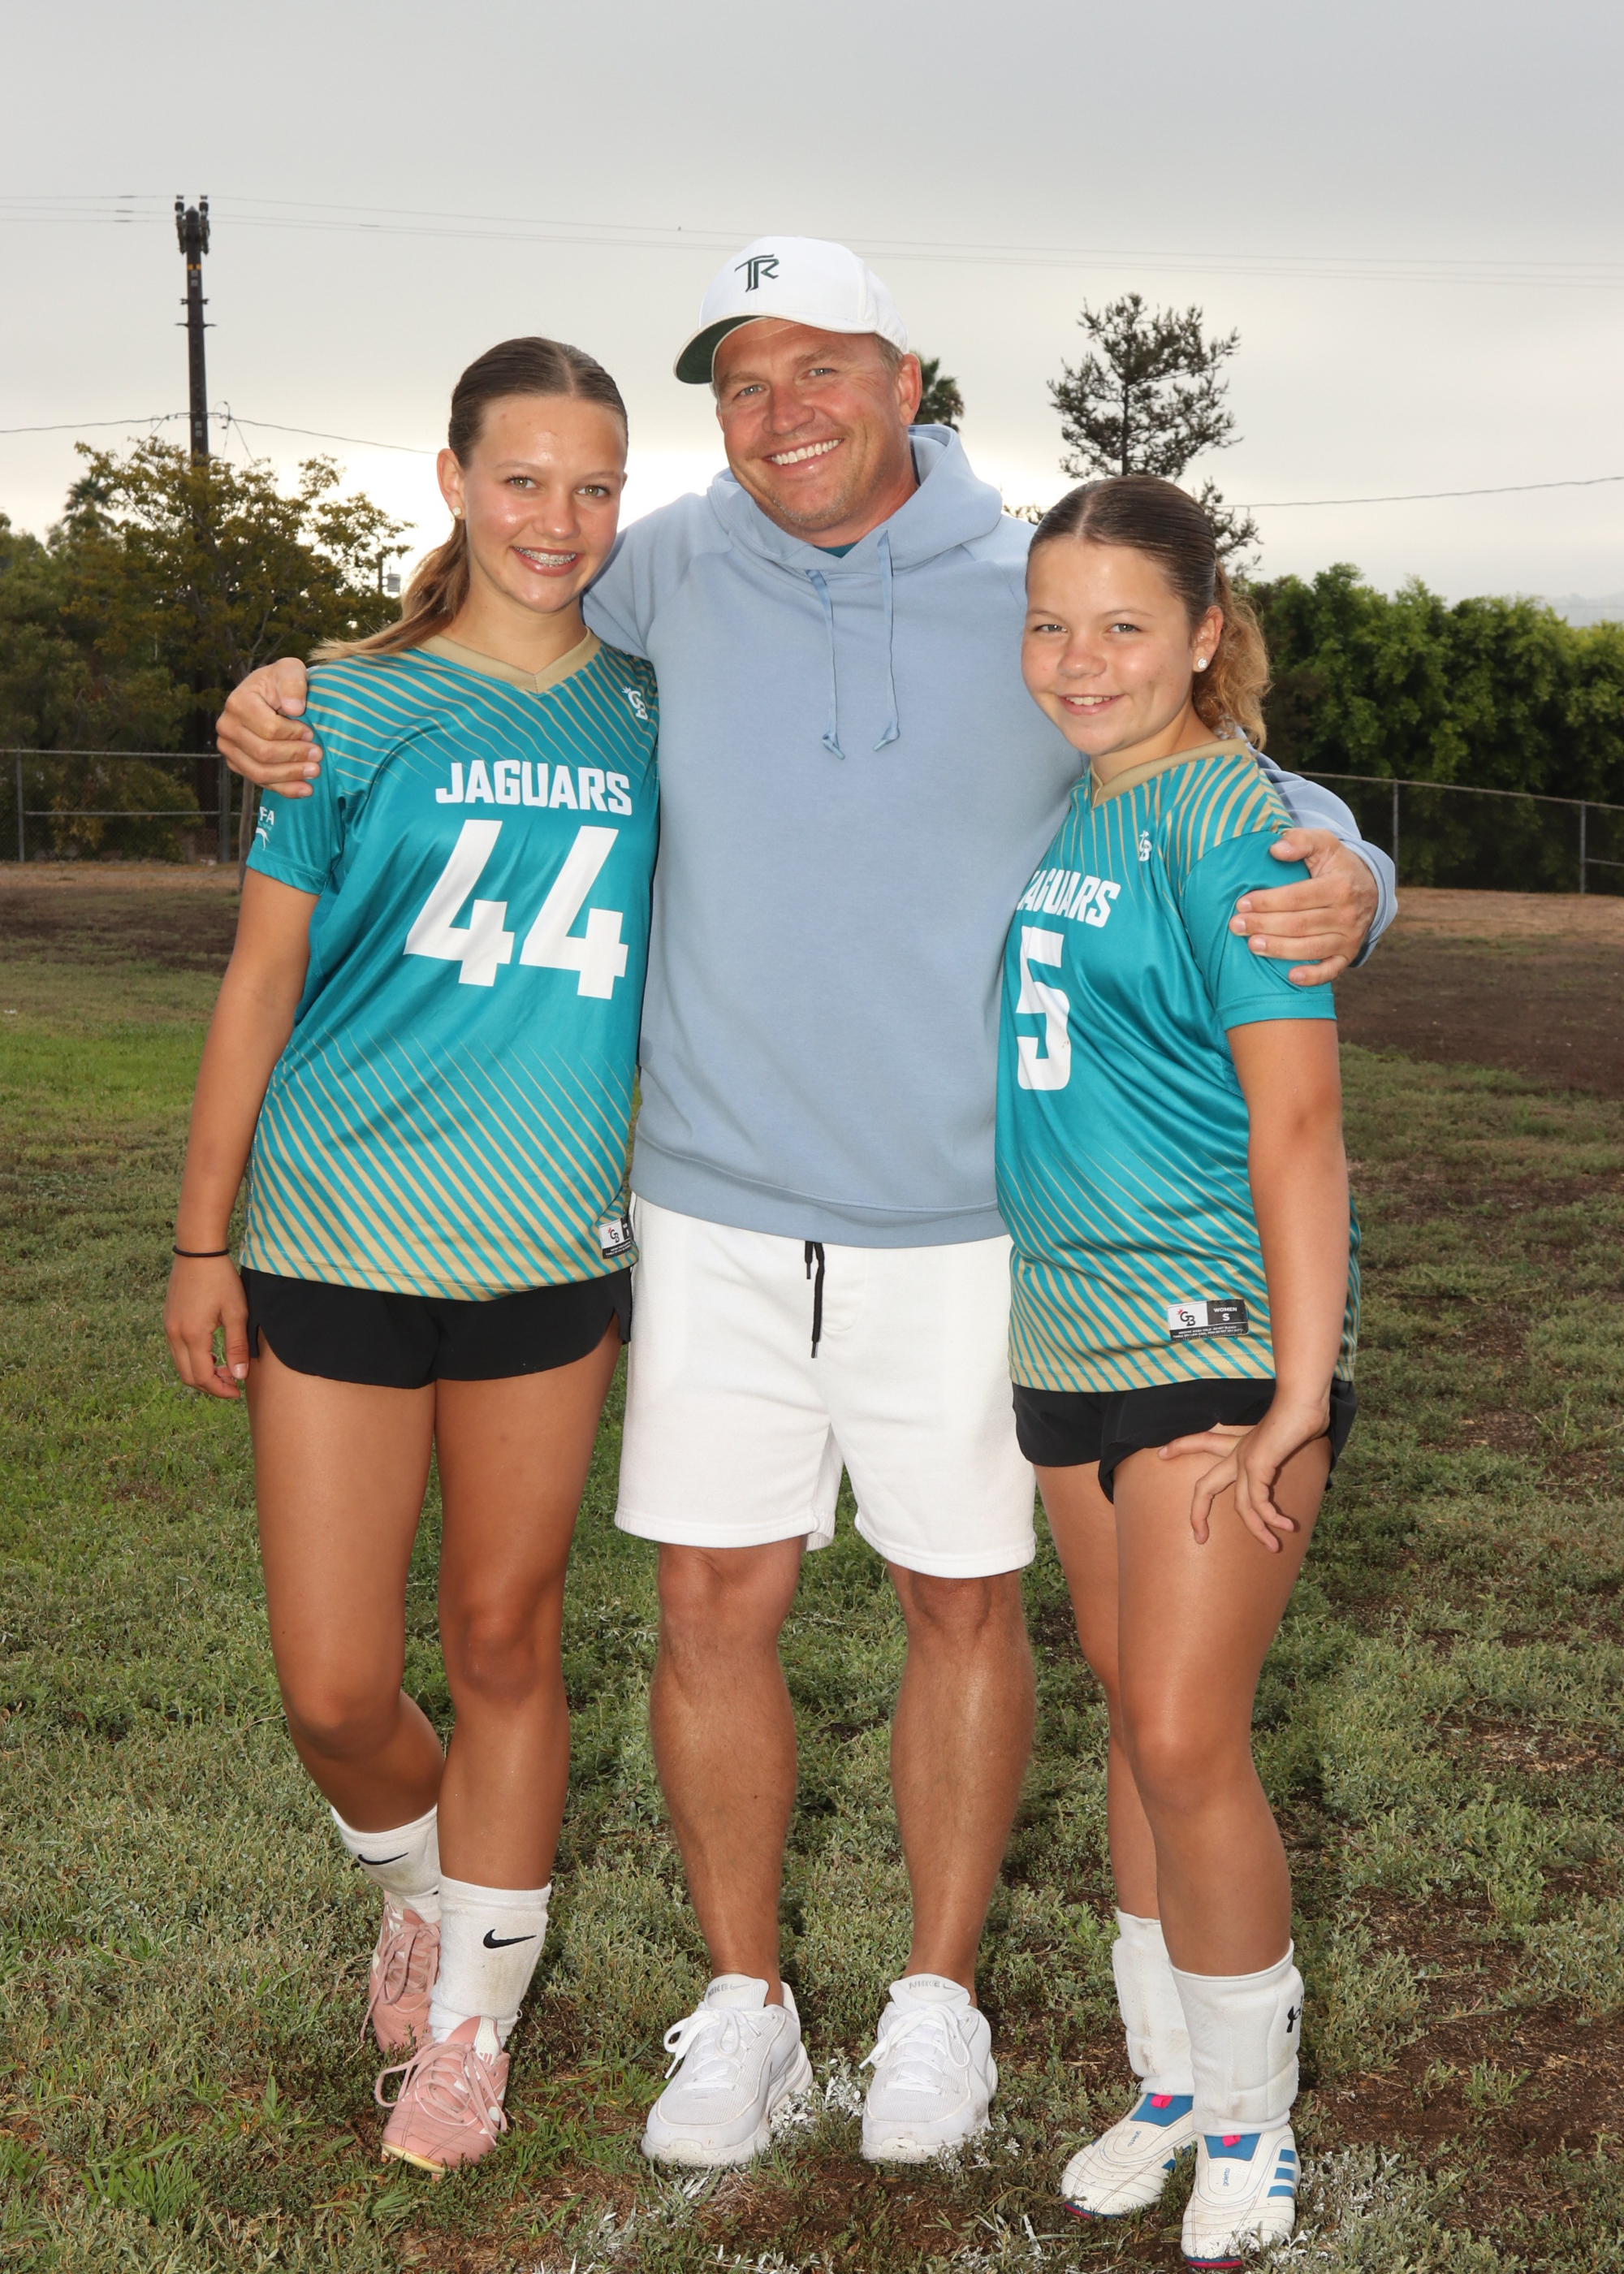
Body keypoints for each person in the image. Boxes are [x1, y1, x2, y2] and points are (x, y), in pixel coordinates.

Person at [214, 239, 1392, 2172]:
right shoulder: (671, 558)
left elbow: (1200, 760)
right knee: (708, 1603)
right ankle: (746, 1995)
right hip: (710, 1198)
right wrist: (284, 689)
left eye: (822, 366)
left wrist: (1350, 860)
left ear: (907, 378)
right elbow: (482, 614)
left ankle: (936, 1996)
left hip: (967, 1214)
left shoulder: (1026, 578)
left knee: (960, 1603)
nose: (784, 413)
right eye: (744, 381)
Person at [164, 337, 657, 2175]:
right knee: (334, 1685)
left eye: (594, 485)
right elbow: (260, 979)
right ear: (453, 480)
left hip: (546, 1237)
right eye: (524, 478)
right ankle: (428, 1889)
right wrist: (201, 1236)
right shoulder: (342, 708)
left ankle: (470, 2028)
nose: (558, 519)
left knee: (506, 1637)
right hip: (337, 1223)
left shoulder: (655, 708)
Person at [996, 474, 1358, 2263]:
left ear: (1206, 633)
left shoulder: (1234, 829)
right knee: (1134, 1721)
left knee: (1184, 1733)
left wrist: (1296, 1391)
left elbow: (1299, 1127)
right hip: (1066, 1335)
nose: (1081, 660)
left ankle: (1252, 2120)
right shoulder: (1085, 800)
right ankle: (1167, 2080)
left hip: (1210, 1337)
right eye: (1050, 624)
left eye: (1124, 625)